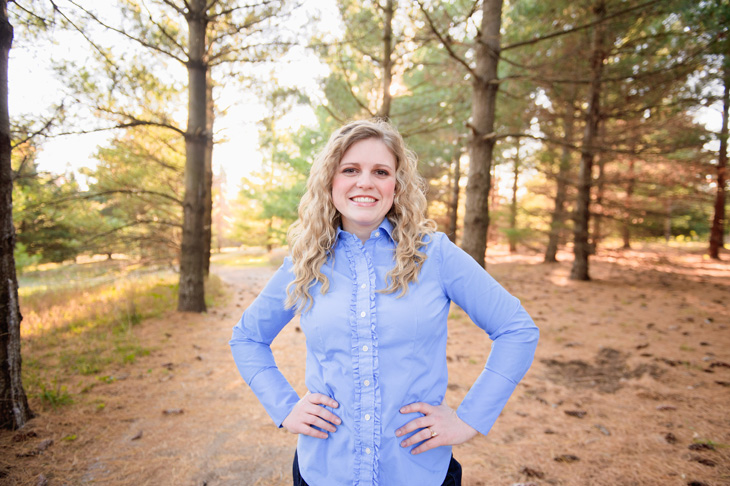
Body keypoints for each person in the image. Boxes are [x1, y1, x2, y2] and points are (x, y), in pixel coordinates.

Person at [230, 119, 539, 486]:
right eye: (350, 170)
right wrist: (284, 407)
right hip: (325, 470)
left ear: (397, 183)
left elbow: (516, 329)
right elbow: (247, 338)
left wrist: (469, 418)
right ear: (330, 181)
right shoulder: (304, 262)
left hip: (417, 471)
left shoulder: (435, 255)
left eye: (380, 171)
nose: (365, 182)